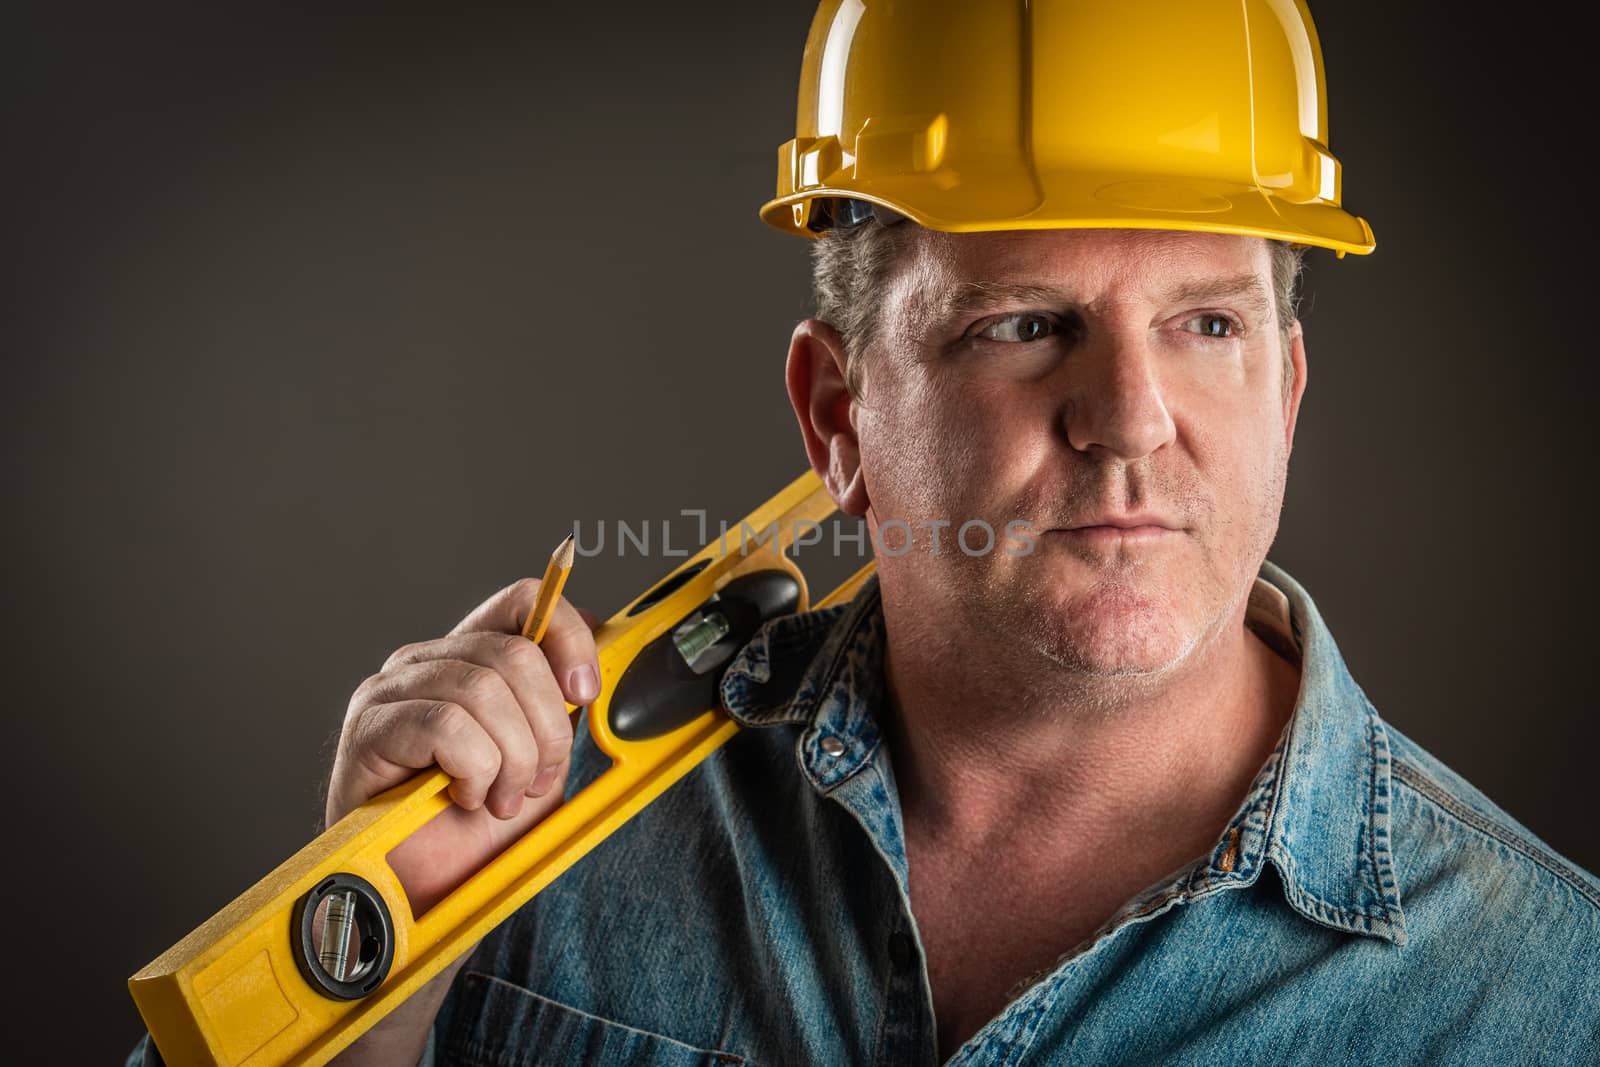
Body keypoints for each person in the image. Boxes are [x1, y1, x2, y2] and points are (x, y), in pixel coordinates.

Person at [126, 1, 1600, 1064]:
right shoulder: (536, 841)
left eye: (1206, 323)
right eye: (1028, 328)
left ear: (1283, 392)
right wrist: (359, 986)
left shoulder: (1545, 1000)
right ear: (837, 416)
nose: (1131, 420)